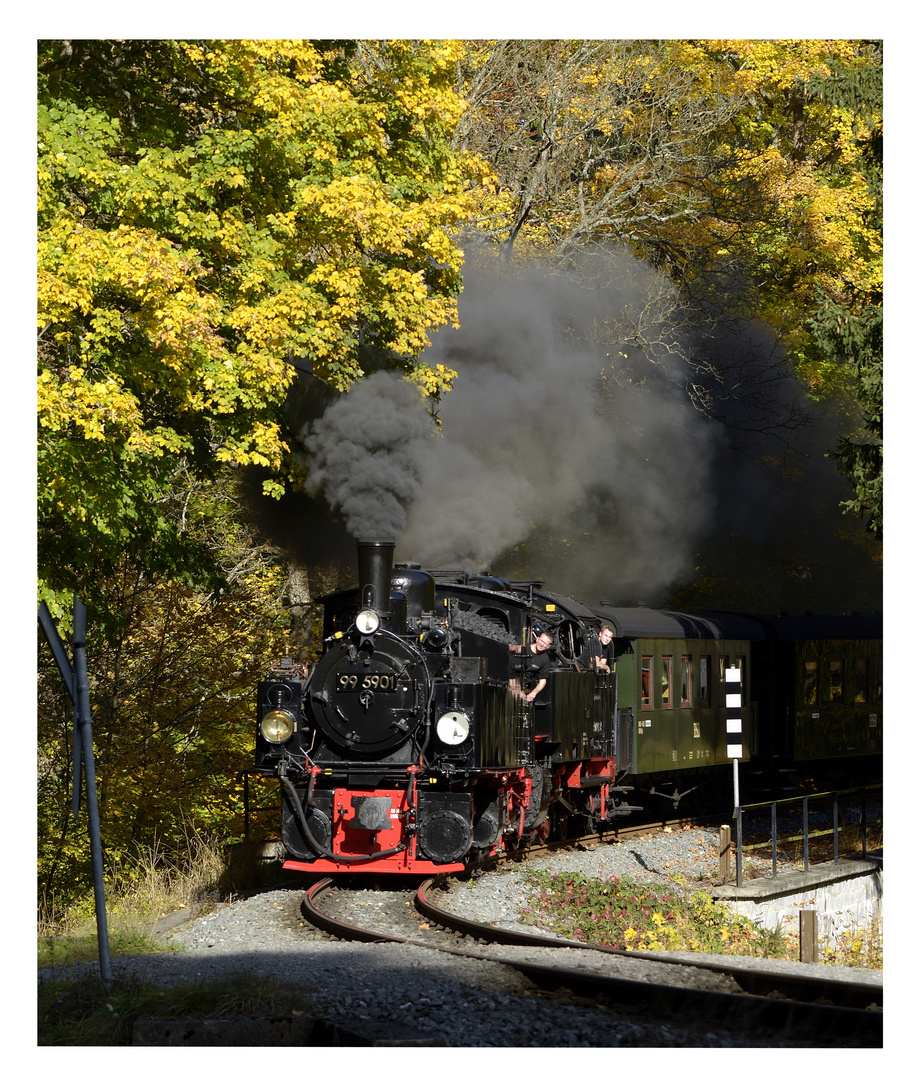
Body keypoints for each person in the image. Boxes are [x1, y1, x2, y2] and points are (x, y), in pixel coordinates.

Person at [509, 631, 555, 703]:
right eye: (541, 641)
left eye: (545, 643)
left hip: (526, 686)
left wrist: (534, 693)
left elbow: (542, 681)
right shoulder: (521, 648)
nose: (541, 644)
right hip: (510, 683)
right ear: (537, 639)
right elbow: (509, 670)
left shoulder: (544, 659)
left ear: (548, 646)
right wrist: (516, 689)